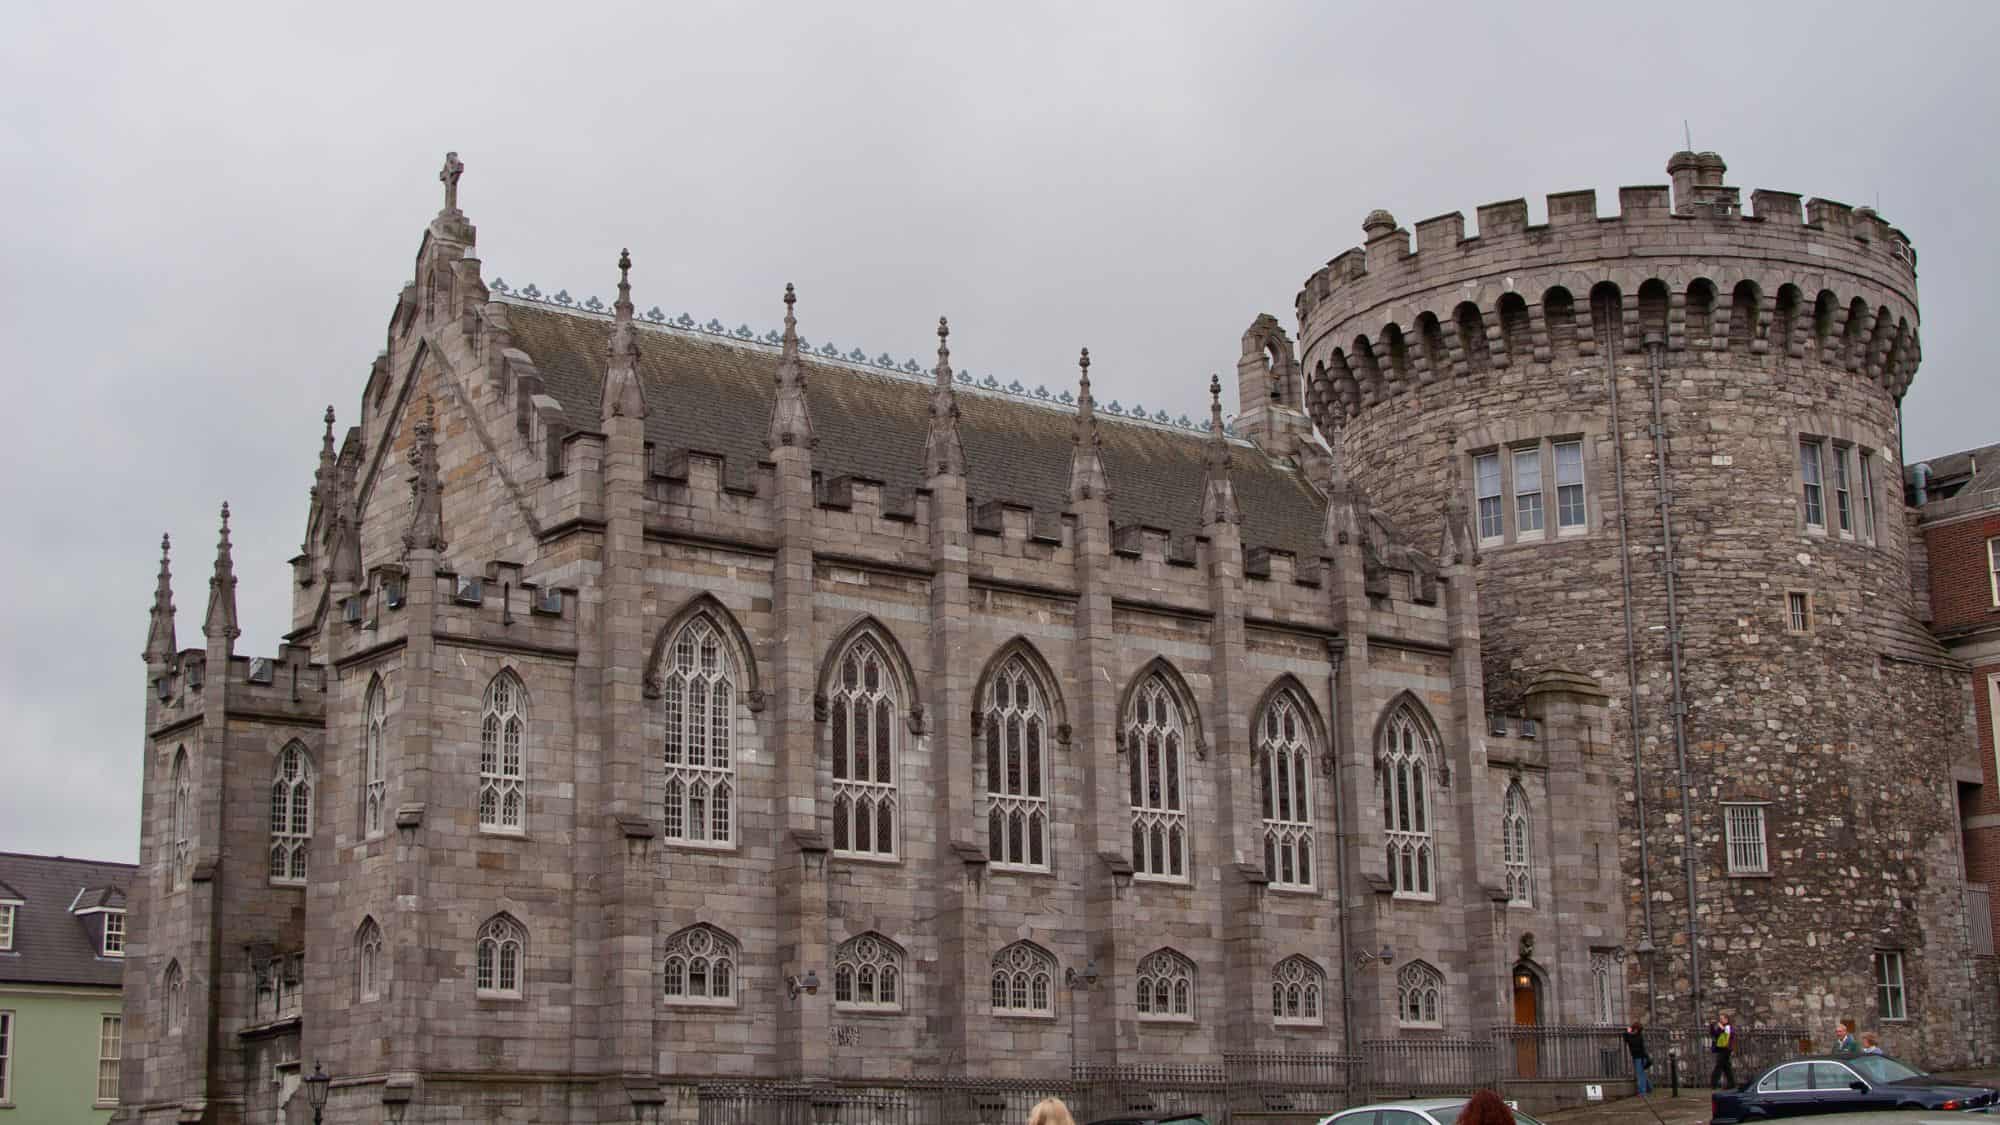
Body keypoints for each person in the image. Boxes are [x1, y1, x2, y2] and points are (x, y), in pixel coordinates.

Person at [1709, 1012, 1738, 1089]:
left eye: (1722, 1019)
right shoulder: (1721, 1027)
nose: (1720, 1020)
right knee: (1726, 1067)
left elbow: (1730, 1034)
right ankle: (1731, 1084)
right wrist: (1712, 1026)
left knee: (1719, 1065)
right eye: (1720, 1019)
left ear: (1726, 1019)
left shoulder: (1728, 1027)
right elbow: (1715, 1034)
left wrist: (1722, 1028)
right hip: (1721, 1048)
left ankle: (1713, 1083)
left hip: (1726, 1049)